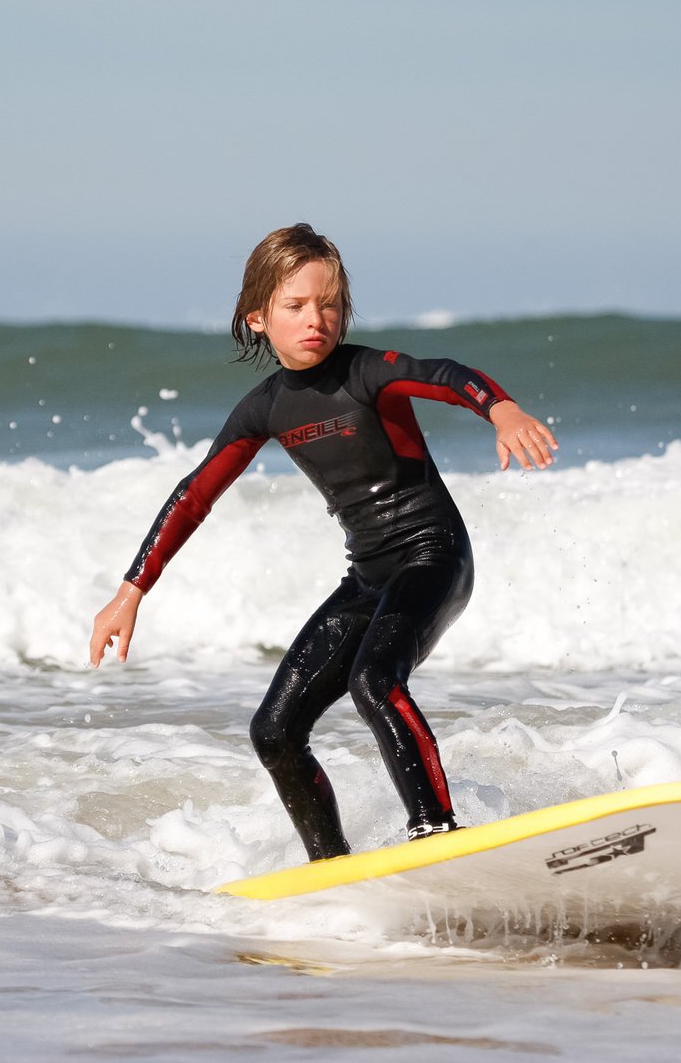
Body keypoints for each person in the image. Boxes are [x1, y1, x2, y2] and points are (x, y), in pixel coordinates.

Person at [89, 223, 557, 862]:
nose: (318, 319)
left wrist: (499, 409)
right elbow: (194, 495)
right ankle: (330, 869)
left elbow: (446, 374)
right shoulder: (265, 408)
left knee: (374, 681)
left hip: (432, 555)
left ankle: (437, 834)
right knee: (275, 732)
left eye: (330, 303)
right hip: (367, 577)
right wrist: (130, 590)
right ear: (258, 318)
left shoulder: (367, 373)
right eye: (296, 305)